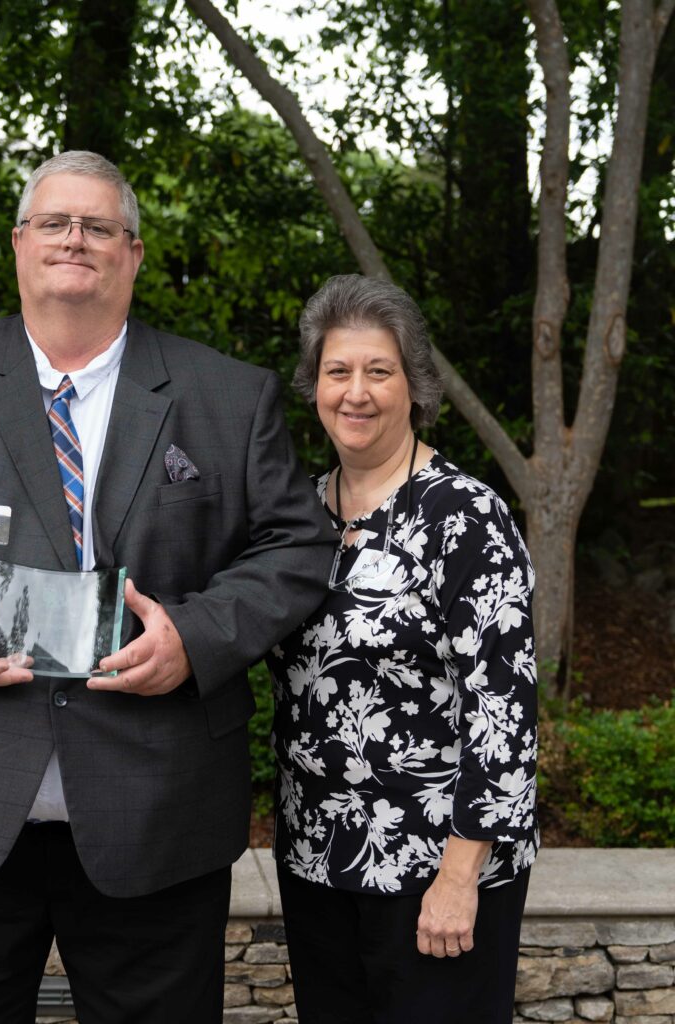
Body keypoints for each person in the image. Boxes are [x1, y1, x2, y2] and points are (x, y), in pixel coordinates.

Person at [0, 150, 334, 1024]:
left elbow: (296, 549)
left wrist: (193, 641)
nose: (74, 239)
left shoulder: (228, 397)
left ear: (134, 253)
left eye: (98, 226)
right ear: (19, 244)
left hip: (154, 810)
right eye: (55, 222)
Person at [268, 274, 539, 1024]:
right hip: (316, 860)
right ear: (314, 386)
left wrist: (460, 876)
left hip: (433, 872)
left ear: (414, 386)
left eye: (378, 371)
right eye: (337, 371)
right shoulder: (299, 514)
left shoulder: (464, 519)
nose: (356, 393)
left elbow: (503, 714)